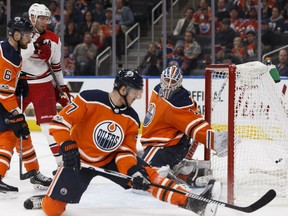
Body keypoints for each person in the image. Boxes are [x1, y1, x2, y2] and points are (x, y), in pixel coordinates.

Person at [24, 68, 220, 216]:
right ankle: (48, 198)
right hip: (79, 160)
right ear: (124, 89)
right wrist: (67, 146)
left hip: (110, 159)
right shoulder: (89, 98)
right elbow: (59, 124)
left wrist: (133, 171)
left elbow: (124, 152)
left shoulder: (132, 118)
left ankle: (193, 203)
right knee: (53, 210)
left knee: (149, 175)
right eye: (136, 92)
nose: (139, 96)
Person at [141, 65, 228, 187]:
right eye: (167, 80)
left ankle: (174, 175)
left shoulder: (180, 100)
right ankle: (181, 172)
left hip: (168, 147)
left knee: (142, 174)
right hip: (160, 144)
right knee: (139, 168)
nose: (169, 85)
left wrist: (214, 140)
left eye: (173, 82)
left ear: (179, 82)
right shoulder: (157, 90)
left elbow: (195, 125)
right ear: (161, 79)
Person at [0, 17, 52, 193]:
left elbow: (9, 80)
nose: (30, 39)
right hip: (3, 102)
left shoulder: (11, 50)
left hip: (4, 99)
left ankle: (33, 172)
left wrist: (20, 78)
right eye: (27, 35)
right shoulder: (6, 58)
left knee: (23, 136)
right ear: (16, 35)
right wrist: (17, 114)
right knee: (9, 137)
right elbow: (4, 93)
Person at [21, 3, 72, 171]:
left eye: (46, 18)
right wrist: (33, 43)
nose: (45, 22)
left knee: (47, 126)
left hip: (44, 84)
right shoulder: (20, 33)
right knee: (7, 124)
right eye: (41, 18)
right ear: (32, 17)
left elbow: (56, 67)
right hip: (21, 84)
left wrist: (62, 88)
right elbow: (18, 57)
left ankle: (61, 164)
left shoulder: (54, 39)